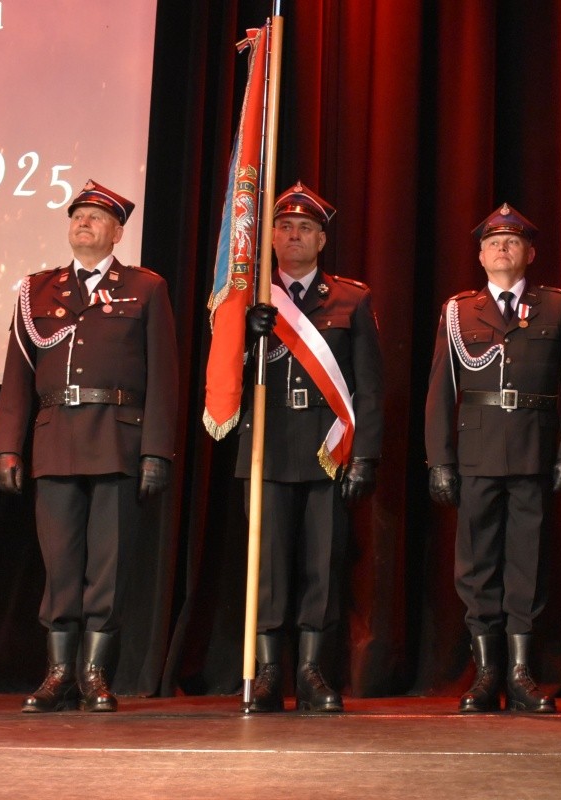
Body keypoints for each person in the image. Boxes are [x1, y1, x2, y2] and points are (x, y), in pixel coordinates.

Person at [0, 180, 178, 713]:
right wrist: (6, 446)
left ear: (117, 232)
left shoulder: (145, 288)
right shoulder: (37, 290)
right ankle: (58, 674)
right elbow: (17, 376)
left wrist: (156, 450)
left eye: (96, 216)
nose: (84, 222)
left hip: (118, 439)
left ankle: (95, 674)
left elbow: (164, 376)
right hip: (55, 440)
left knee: (108, 566)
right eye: (78, 215)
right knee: (60, 564)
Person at [424, 203, 561, 713]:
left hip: (534, 451)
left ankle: (520, 673)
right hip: (476, 453)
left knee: (527, 562)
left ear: (530, 253)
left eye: (512, 241)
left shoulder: (557, 307)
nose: (502, 248)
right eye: (493, 242)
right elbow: (440, 390)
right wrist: (439, 460)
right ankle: (485, 673)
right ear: (479, 255)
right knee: (475, 565)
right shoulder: (458, 312)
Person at [239, 182, 384, 713]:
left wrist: (364, 455)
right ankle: (267, 672)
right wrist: (244, 335)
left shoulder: (350, 298)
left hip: (328, 447)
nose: (293, 235)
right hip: (268, 444)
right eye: (284, 227)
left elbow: (369, 385)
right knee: (268, 565)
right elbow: (223, 380)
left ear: (321, 240)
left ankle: (311, 671)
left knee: (323, 565)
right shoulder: (249, 300)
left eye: (305, 228)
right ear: (272, 237)